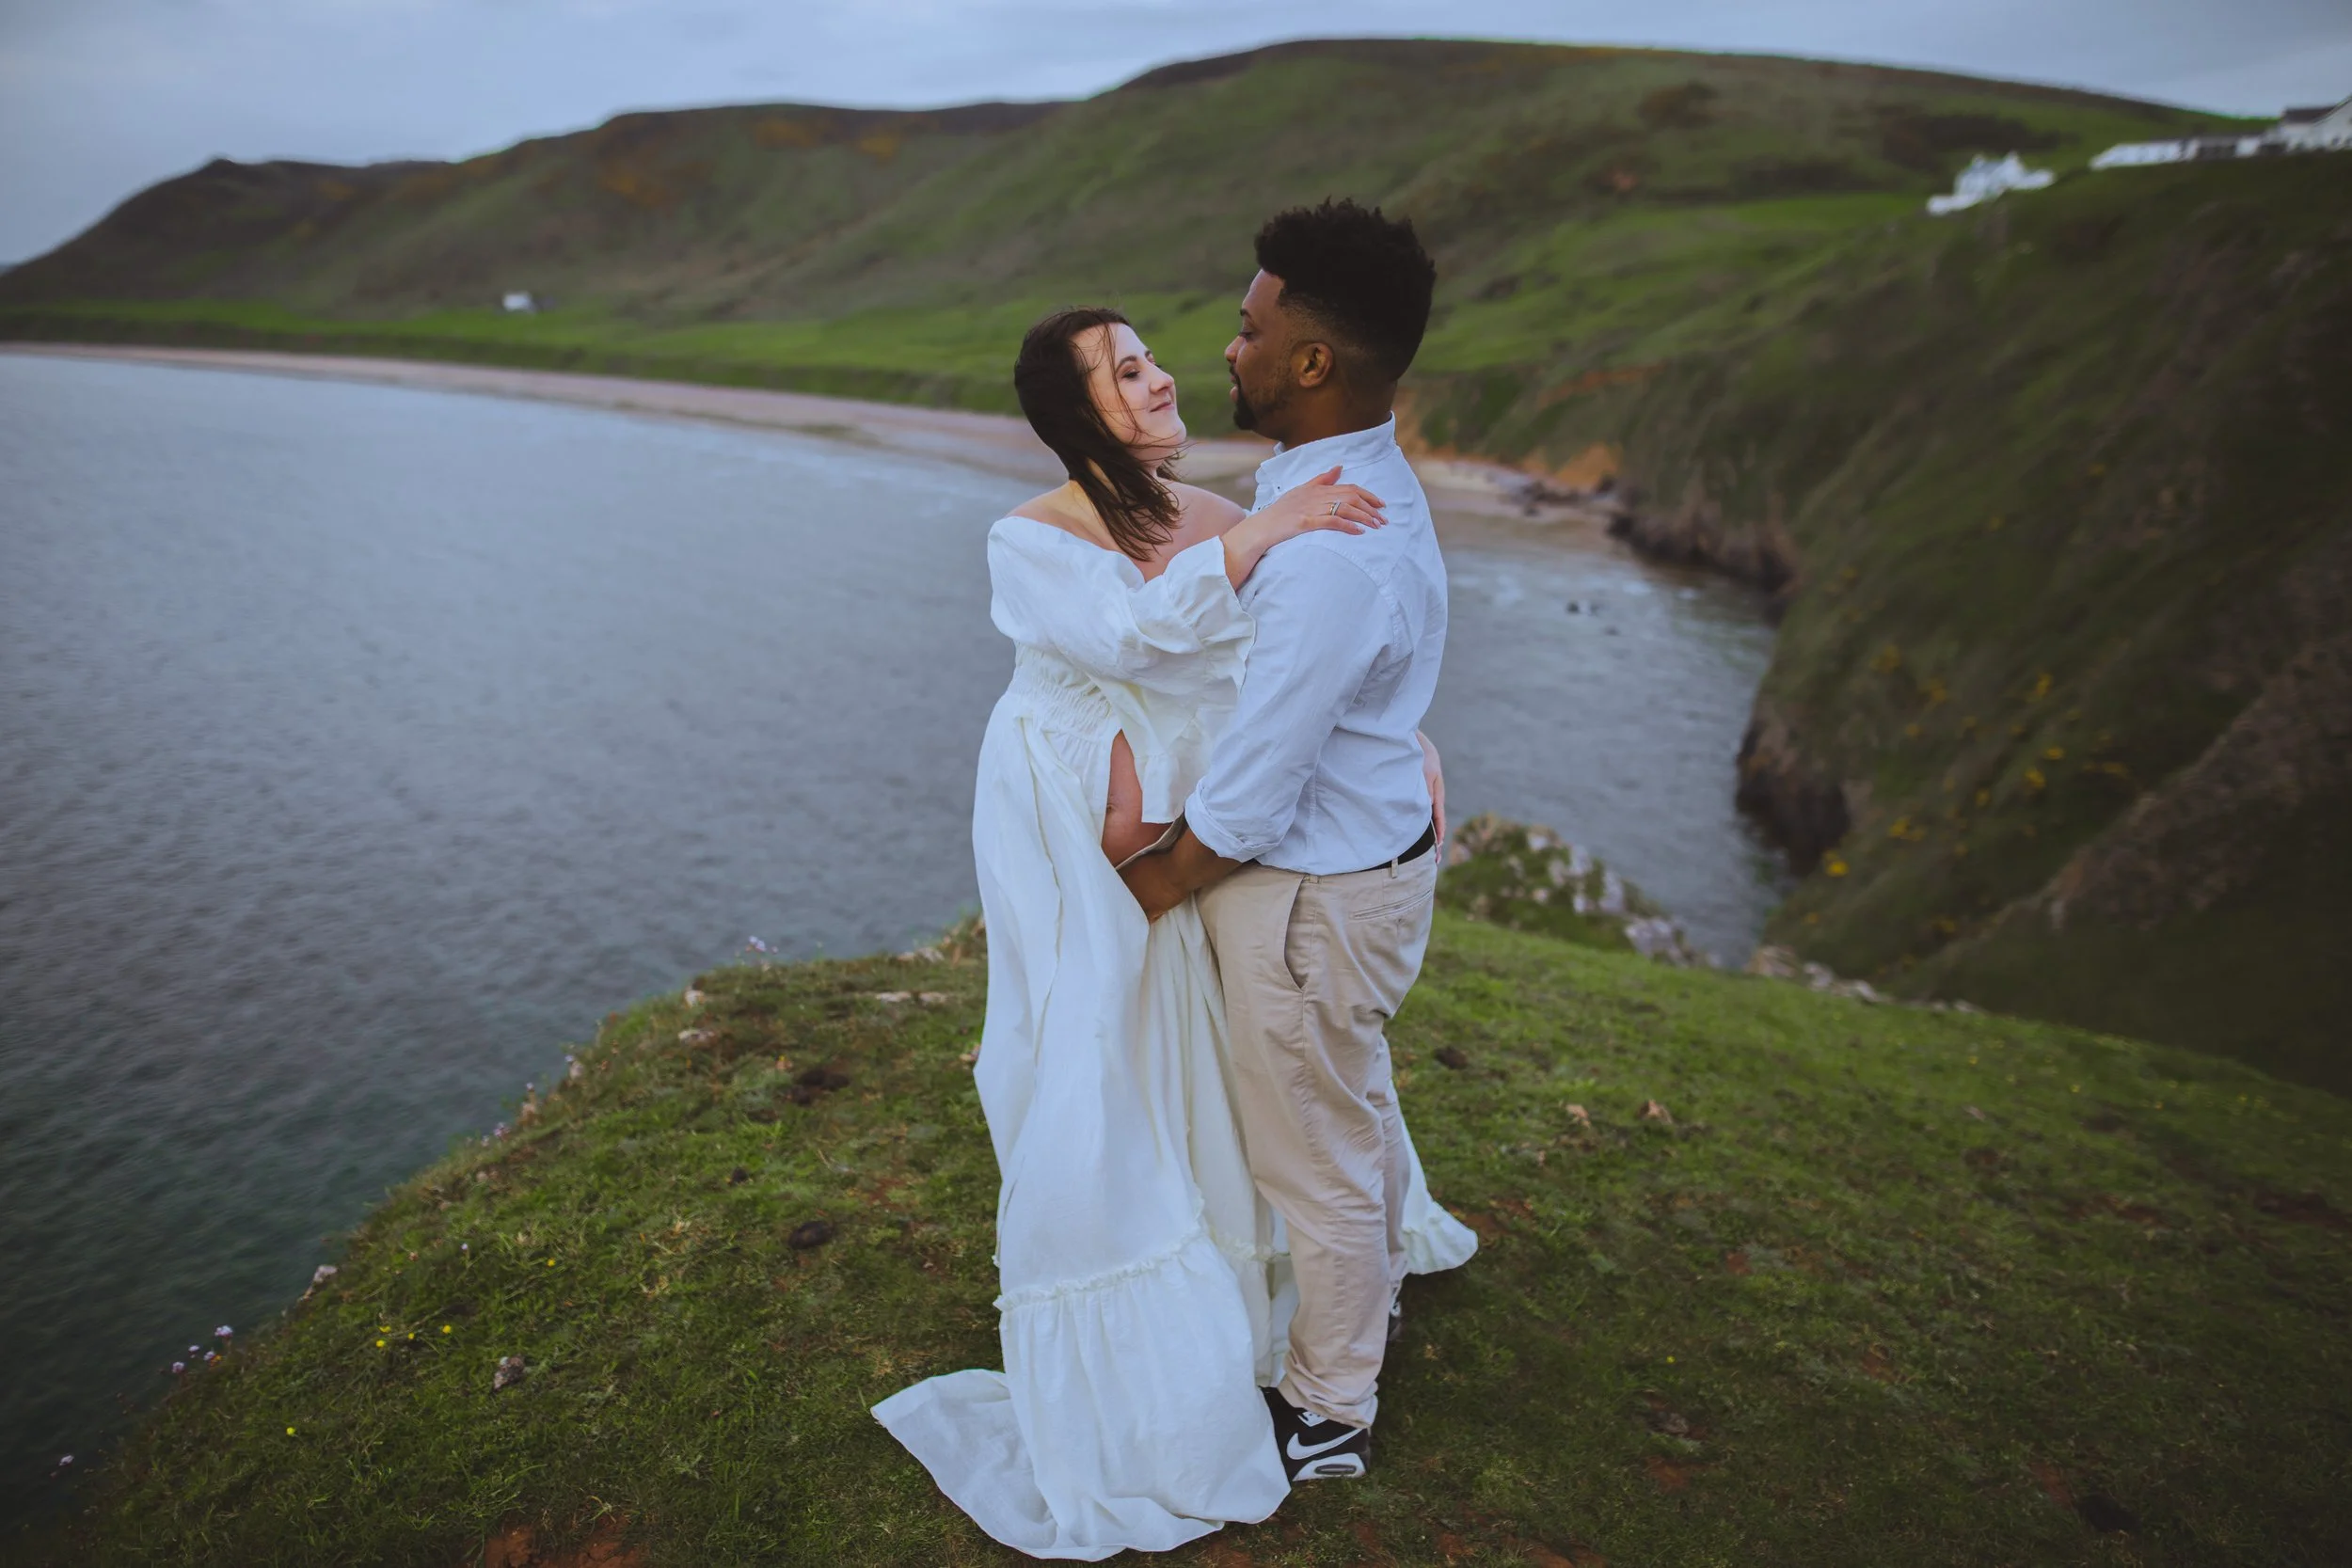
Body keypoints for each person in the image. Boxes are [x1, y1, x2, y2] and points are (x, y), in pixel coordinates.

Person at [872, 285, 1473, 1559]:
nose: (1158, 379)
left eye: (1149, 360)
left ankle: (1281, 1304)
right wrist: (1261, 542)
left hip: (1201, 830)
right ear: (1070, 416)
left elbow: (1297, 664)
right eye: (1123, 371)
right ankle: (1165, 1326)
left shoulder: (1219, 510)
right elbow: (1133, 630)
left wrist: (1397, 738)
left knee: (1225, 1054)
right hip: (1078, 826)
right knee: (1110, 1050)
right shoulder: (1033, 535)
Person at [1120, 198, 1450, 1487]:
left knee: (1309, 1154)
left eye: (1250, 329)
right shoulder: (1346, 487)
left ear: (1313, 362)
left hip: (1310, 893)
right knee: (1349, 1118)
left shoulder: (1329, 554)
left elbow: (1253, 798)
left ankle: (1330, 1407)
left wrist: (1144, 887)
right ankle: (1368, 1316)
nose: (1227, 351)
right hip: (1365, 864)